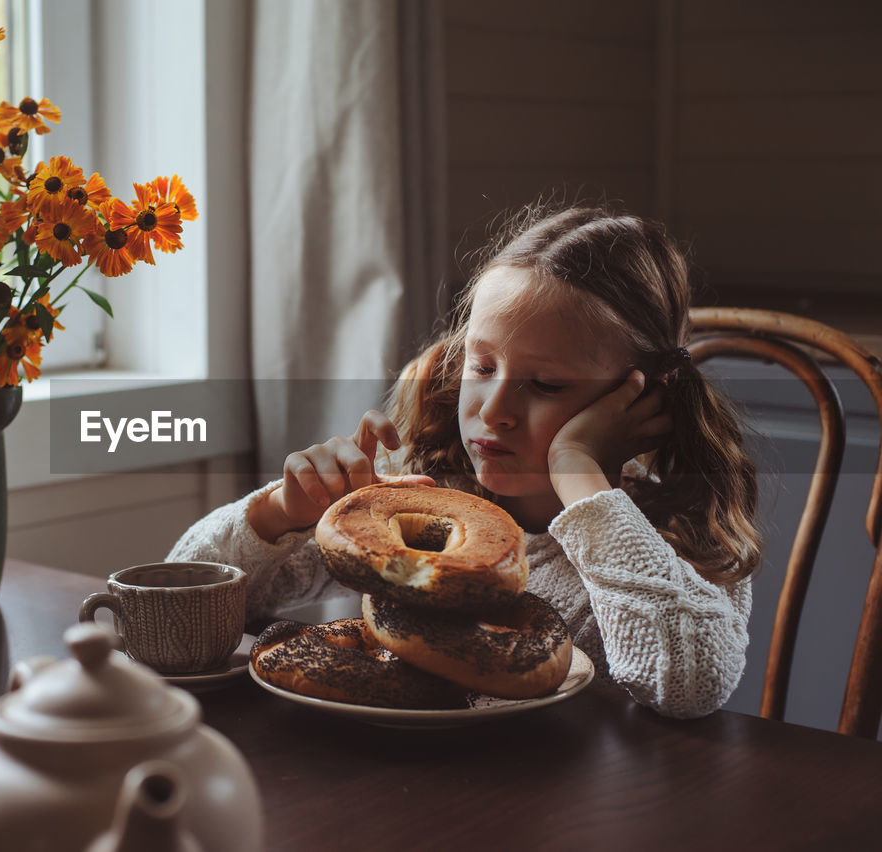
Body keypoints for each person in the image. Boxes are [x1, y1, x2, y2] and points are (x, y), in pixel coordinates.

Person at [168, 205, 761, 718]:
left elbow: (688, 684)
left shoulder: (676, 535)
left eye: (547, 384)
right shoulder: (426, 497)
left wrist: (578, 470)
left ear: (638, 397)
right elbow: (182, 607)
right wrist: (279, 514)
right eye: (482, 366)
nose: (495, 409)